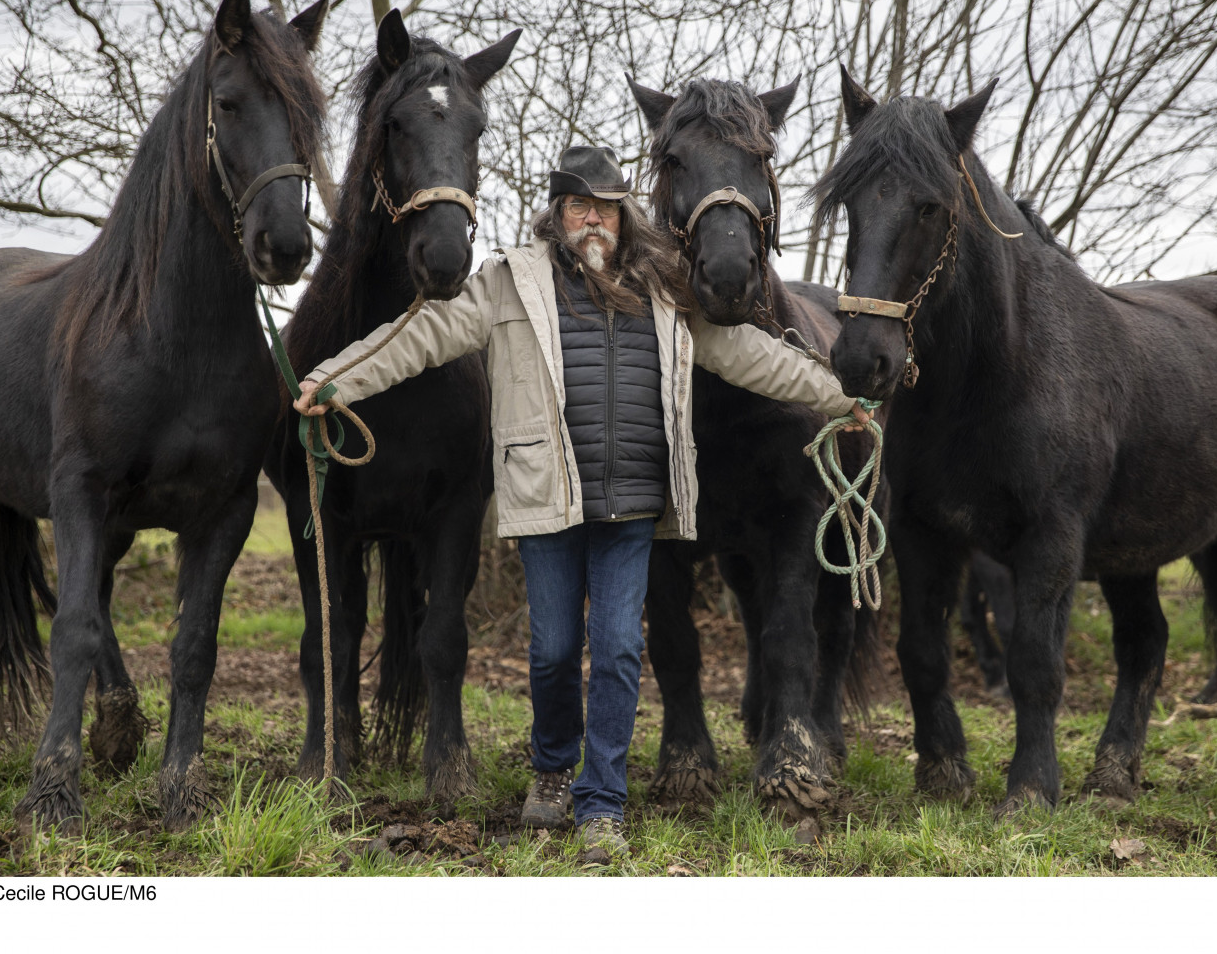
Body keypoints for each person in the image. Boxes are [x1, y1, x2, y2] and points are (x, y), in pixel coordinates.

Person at [296, 145, 869, 863]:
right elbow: (423, 337)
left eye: (603, 207)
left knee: (623, 651)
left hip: (633, 506)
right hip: (549, 501)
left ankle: (602, 800)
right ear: (558, 214)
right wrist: (334, 379)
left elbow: (749, 354)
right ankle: (551, 768)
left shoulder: (666, 285)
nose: (591, 219)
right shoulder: (511, 282)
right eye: (577, 207)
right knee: (556, 651)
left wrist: (842, 398)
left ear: (624, 214)